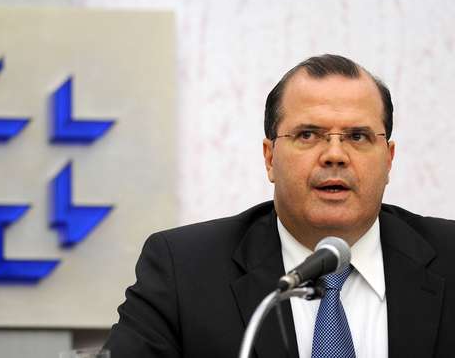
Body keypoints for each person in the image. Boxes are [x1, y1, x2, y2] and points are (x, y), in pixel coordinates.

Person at [104, 54, 455, 358]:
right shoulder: (183, 270)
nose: (335, 155)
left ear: (388, 159)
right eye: (308, 135)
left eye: (357, 137)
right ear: (270, 158)